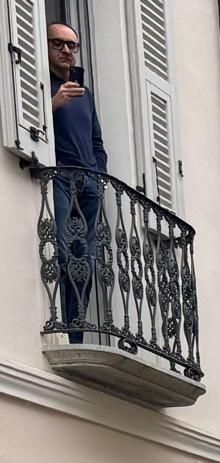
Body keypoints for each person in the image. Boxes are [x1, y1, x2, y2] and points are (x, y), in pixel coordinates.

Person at [48, 22, 106, 335]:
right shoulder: (39, 83)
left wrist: (98, 175)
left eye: (72, 45)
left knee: (85, 258)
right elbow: (30, 120)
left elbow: (97, 141)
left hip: (88, 182)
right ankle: (58, 324)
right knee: (60, 252)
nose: (67, 51)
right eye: (58, 44)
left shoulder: (86, 94)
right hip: (59, 177)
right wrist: (53, 104)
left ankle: (76, 329)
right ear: (45, 46)